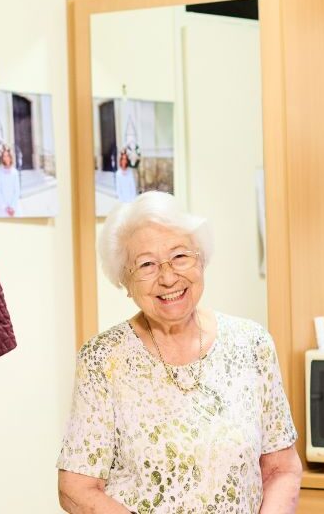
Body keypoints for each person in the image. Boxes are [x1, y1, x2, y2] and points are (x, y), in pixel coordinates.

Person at [57, 191, 301, 513]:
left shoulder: (252, 344)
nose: (169, 277)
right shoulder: (103, 359)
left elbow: (281, 469)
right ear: (125, 281)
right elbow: (75, 488)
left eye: (180, 257)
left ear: (201, 260)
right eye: (146, 264)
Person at [0, 147, 21, 217]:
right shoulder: (0, 171)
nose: (6, 158)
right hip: (3, 207)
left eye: (7, 156)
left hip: (14, 207)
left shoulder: (15, 172)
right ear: (2, 158)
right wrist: (5, 207)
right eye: (4, 156)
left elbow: (17, 190)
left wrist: (12, 207)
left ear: (10, 157)